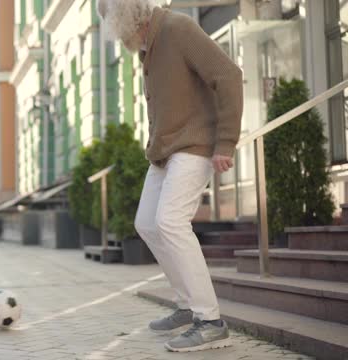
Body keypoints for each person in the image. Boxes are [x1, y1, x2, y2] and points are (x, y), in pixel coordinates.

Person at [97, 0, 243, 352]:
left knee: (171, 222)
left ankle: (210, 321)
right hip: (166, 152)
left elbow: (229, 75)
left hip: (196, 145)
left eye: (111, 23)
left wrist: (225, 142)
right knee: (147, 223)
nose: (114, 35)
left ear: (126, 18)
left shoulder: (178, 29)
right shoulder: (148, 48)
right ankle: (186, 306)